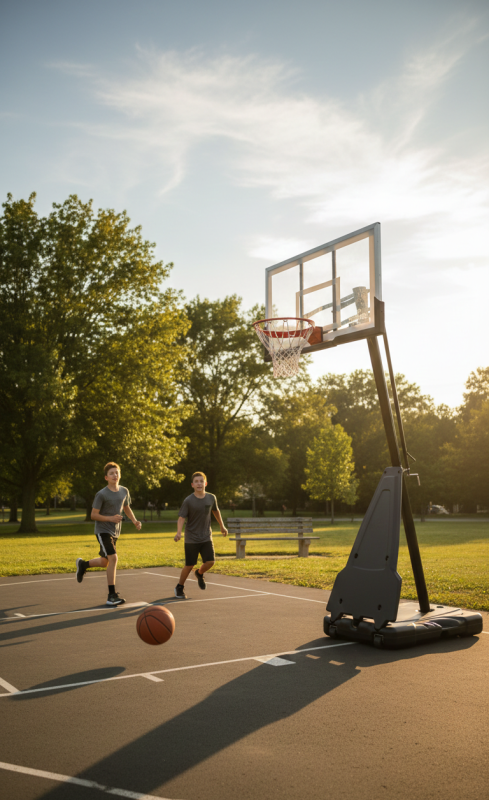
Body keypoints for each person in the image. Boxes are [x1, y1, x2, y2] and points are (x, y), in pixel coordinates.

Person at [75, 462, 141, 606]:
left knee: (105, 562)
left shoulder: (124, 491)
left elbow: (126, 507)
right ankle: (111, 596)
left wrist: (135, 521)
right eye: (111, 473)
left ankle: (83, 564)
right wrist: (110, 518)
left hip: (115, 532)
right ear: (106, 477)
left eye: (117, 472)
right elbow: (93, 515)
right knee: (113, 558)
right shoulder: (101, 494)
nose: (114, 475)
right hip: (103, 531)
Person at [173, 471, 228, 599]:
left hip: (206, 536)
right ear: (192, 485)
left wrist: (222, 525)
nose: (199, 484)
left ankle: (199, 573)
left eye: (201, 481)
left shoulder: (211, 498)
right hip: (191, 538)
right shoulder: (188, 500)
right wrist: (179, 533)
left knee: (210, 562)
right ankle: (179, 587)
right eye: (196, 482)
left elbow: (216, 511)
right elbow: (181, 518)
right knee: (189, 565)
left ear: (205, 483)